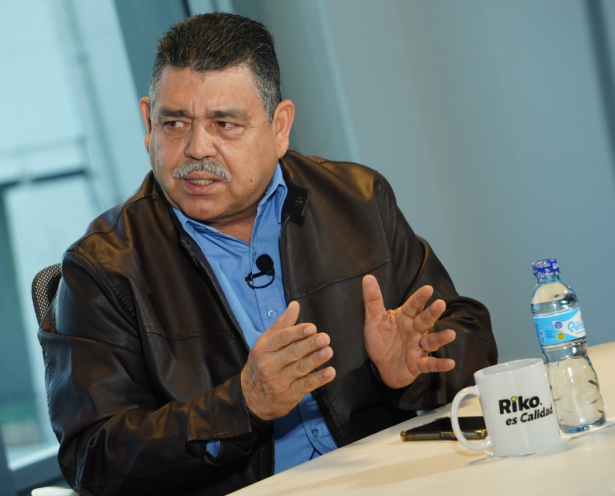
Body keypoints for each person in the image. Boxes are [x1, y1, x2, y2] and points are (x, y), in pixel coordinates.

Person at [39, 12, 497, 496]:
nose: (196, 148)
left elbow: (468, 331)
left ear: (280, 127)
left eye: (224, 124)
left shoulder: (358, 200)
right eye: (174, 123)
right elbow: (93, 459)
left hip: (387, 477)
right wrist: (241, 405)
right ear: (147, 123)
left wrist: (413, 367)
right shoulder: (103, 268)